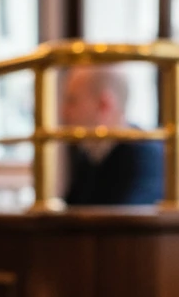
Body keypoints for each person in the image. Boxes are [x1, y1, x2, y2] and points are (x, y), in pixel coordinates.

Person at [61, 65, 164, 206]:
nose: (64, 112)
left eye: (72, 101)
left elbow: (123, 224)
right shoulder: (92, 156)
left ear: (104, 105)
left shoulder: (145, 156)